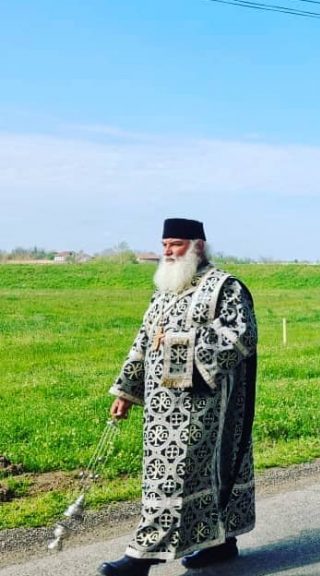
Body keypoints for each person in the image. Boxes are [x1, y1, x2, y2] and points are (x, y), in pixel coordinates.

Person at [101, 219, 257, 576]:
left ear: (197, 247)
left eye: (175, 244)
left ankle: (143, 557)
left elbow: (241, 335)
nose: (167, 252)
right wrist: (126, 391)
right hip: (160, 408)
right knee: (179, 473)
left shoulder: (224, 287)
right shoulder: (164, 290)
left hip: (206, 405)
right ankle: (220, 542)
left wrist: (177, 345)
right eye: (165, 244)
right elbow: (143, 340)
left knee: (178, 476)